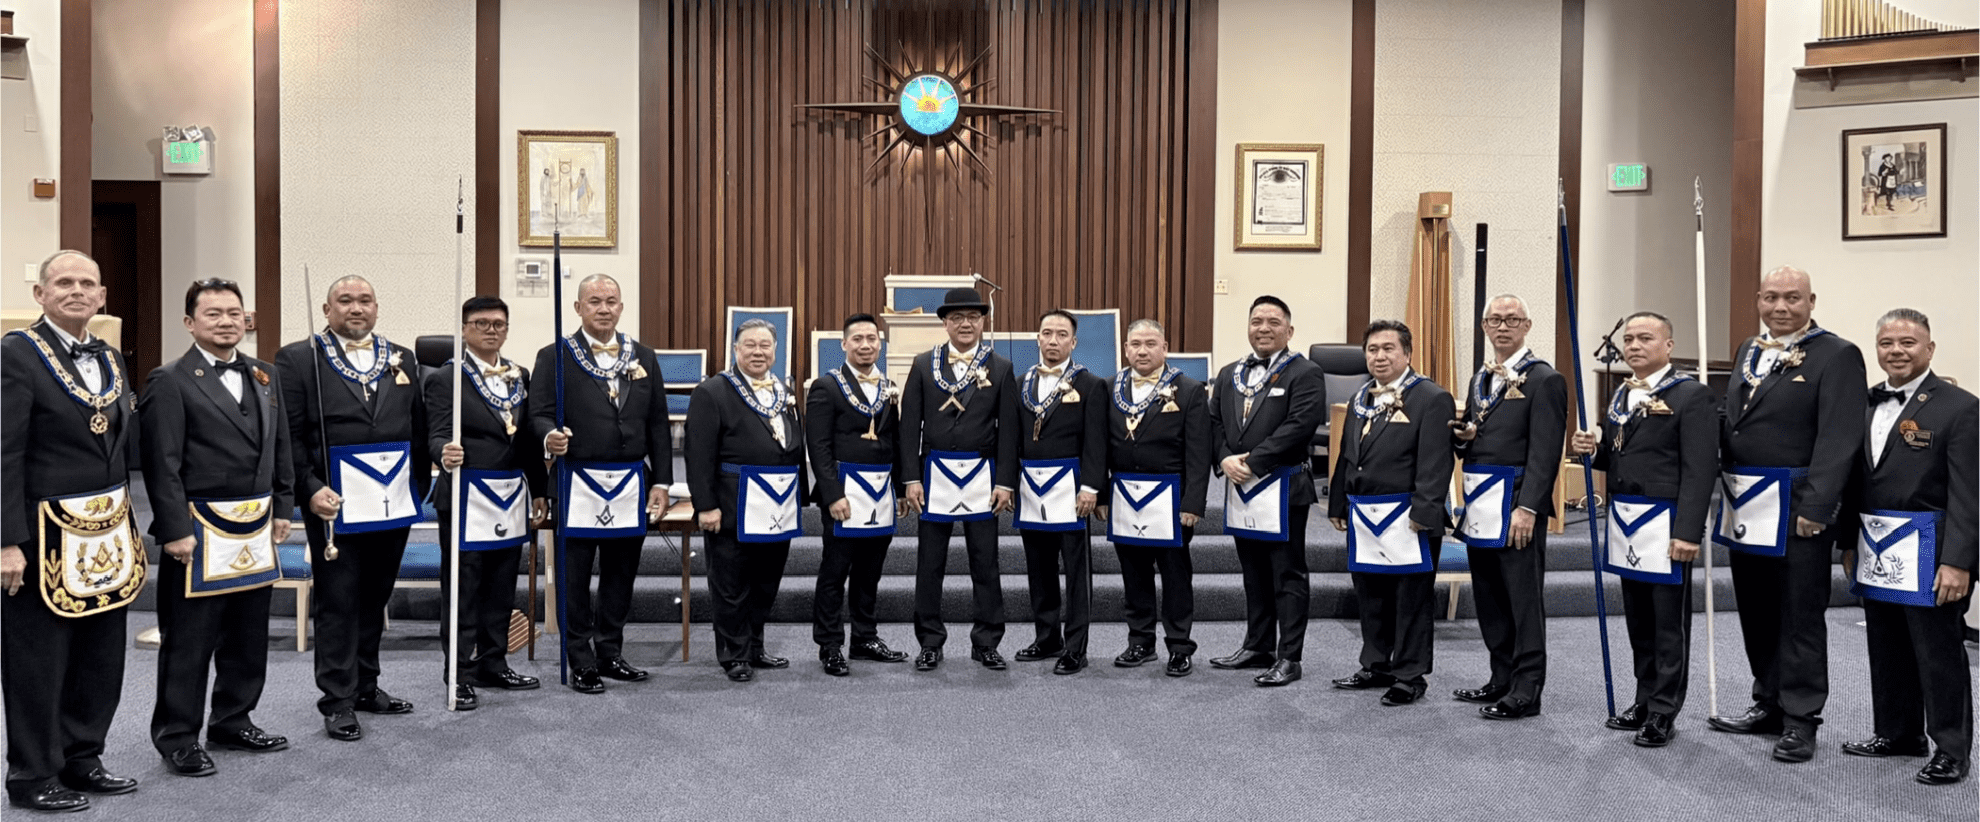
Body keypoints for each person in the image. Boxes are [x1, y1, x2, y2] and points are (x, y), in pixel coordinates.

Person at [1, 251, 143, 812]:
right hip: (40, 534)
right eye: (64, 282)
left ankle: (84, 757)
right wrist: (5, 541)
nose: (77, 291)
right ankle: (33, 773)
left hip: (106, 531)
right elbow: (4, 453)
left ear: (102, 296)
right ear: (40, 294)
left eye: (88, 283)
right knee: (39, 661)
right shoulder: (15, 353)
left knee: (101, 654)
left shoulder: (108, 355)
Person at [1709, 266, 1866, 763]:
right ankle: (1769, 702)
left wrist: (1819, 505)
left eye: (1793, 298)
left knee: (1800, 617)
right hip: (1746, 503)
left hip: (1799, 508)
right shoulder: (1748, 349)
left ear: (1811, 301)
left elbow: (1840, 437)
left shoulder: (1837, 355)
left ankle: (1801, 718)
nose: (1781, 306)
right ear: (1758, 299)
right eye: (1772, 297)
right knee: (1756, 610)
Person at [141, 279, 295, 777]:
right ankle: (178, 736)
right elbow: (161, 463)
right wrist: (173, 528)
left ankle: (233, 719)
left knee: (248, 634)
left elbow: (280, 447)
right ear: (190, 323)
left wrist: (284, 506)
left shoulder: (266, 374)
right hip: (198, 530)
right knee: (190, 641)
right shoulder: (170, 379)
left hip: (255, 525)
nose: (227, 321)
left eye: (234, 313)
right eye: (213, 314)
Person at [277, 274, 431, 741]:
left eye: (365, 300)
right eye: (345, 300)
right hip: (334, 501)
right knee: (339, 600)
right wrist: (309, 489)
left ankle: (366, 685)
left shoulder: (401, 357)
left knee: (376, 595)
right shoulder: (299, 358)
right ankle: (337, 699)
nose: (356, 308)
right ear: (328, 310)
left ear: (377, 307)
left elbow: (417, 425)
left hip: (391, 498)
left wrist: (416, 486)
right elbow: (289, 435)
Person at [1568, 311, 1717, 748]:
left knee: (1668, 623)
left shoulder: (1691, 395)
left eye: (1645, 338)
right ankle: (1644, 698)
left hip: (1666, 524)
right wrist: (1592, 452)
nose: (1633, 345)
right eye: (1629, 339)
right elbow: (1619, 457)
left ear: (1668, 345)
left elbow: (1700, 469)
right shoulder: (1622, 394)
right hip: (1626, 522)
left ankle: (1664, 710)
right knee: (1639, 620)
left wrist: (1688, 531)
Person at [1838, 309, 1974, 786]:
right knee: (1886, 643)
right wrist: (1847, 542)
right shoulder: (1863, 402)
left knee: (1938, 652)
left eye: (1908, 343)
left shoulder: (1960, 407)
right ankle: (1898, 732)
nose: (1896, 351)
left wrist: (1958, 562)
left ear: (1929, 349)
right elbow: (1855, 479)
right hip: (1876, 543)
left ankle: (1951, 749)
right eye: (1887, 343)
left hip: (1932, 548)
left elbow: (1970, 493)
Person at [532, 274, 674, 694]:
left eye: (611, 301)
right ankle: (580, 659)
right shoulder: (554, 356)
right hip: (576, 478)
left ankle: (610, 652)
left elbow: (658, 423)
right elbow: (538, 412)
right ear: (578, 308)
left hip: (630, 480)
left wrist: (663, 481)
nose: (604, 308)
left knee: (620, 575)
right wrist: (549, 436)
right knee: (574, 578)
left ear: (621, 307)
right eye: (594, 301)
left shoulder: (643, 355)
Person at [425, 296, 547, 710]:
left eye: (498, 323)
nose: (491, 330)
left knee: (501, 586)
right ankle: (458, 673)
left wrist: (540, 488)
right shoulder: (447, 378)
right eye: (481, 323)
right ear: (464, 329)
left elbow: (527, 440)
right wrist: (443, 452)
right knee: (463, 590)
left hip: (509, 495)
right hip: (467, 495)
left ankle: (493, 663)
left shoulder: (519, 375)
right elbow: (435, 432)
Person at [1449, 294, 1566, 720]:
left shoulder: (1544, 379)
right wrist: (1463, 438)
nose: (1503, 326)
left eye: (1512, 319)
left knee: (1522, 599)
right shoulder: (1480, 378)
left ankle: (1527, 689)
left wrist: (1529, 507)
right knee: (1490, 597)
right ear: (1484, 327)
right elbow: (1477, 438)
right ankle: (1501, 677)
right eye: (1495, 320)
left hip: (1516, 504)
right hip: (1481, 504)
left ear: (1527, 325)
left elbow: (1545, 452)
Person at [1328, 320, 1456, 706]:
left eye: (1388, 349)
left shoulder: (1432, 397)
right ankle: (1376, 664)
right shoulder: (1360, 397)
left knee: (1410, 600)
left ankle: (1410, 675)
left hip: (1408, 516)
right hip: (1364, 513)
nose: (1379, 356)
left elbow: (1436, 461)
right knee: (1370, 594)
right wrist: (1338, 501)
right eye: (1372, 350)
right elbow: (1348, 454)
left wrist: (1425, 510)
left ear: (1407, 353)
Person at [899, 287, 1020, 671]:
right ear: (945, 324)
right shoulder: (923, 364)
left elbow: (1009, 430)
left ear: (983, 322)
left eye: (972, 317)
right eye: (956, 318)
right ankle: (929, 642)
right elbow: (908, 426)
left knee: (985, 563)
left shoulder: (1000, 367)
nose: (965, 324)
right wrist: (910, 478)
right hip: (934, 475)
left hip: (982, 476)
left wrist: (1005, 481)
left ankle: (986, 642)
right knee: (929, 564)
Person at [1207, 295, 1326, 687]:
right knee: (1253, 573)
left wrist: (1252, 462)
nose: (1263, 328)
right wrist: (1224, 458)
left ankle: (1289, 657)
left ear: (1289, 331)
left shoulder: (1305, 372)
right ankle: (1257, 645)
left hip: (1283, 486)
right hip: (1242, 489)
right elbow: (1213, 423)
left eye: (1273, 322)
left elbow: (1300, 426)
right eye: (1256, 321)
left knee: (1287, 574)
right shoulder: (1229, 373)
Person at [686, 320, 805, 682]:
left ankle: (754, 646)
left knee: (766, 580)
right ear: (735, 349)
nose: (758, 352)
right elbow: (698, 454)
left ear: (775, 351)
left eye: (765, 345)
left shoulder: (783, 391)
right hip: (732, 503)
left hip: (777, 504)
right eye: (749, 345)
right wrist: (706, 505)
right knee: (731, 584)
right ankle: (733, 654)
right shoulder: (712, 391)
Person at [1101, 319, 1211, 677]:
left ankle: (1179, 646)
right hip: (1124, 495)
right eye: (1135, 344)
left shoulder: (1189, 390)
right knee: (1134, 574)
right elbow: (1099, 446)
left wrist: (1193, 502)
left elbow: (1199, 452)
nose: (1142, 351)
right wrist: (1101, 494)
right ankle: (1141, 642)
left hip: (1171, 499)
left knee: (1175, 576)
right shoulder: (1108, 387)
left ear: (1165, 347)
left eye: (1150, 343)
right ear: (1126, 349)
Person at [805, 314, 911, 676]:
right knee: (835, 572)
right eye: (858, 339)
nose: (866, 345)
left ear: (880, 344)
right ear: (844, 344)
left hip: (880, 493)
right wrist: (832, 493)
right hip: (844, 494)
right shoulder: (826, 386)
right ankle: (830, 645)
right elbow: (818, 446)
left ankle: (864, 638)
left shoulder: (888, 387)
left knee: (870, 573)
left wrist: (900, 489)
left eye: (872, 339)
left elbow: (895, 440)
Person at [1011, 309, 1108, 675]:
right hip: (1031, 489)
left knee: (1077, 573)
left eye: (1061, 334)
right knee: (1039, 569)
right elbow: (1013, 439)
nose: (1053, 340)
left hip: (1072, 491)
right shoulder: (1020, 383)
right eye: (1047, 333)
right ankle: (1047, 636)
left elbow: (1096, 441)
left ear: (1074, 342)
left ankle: (1076, 647)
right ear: (1037, 338)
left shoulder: (1090, 384)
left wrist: (1092, 488)